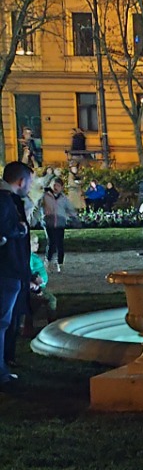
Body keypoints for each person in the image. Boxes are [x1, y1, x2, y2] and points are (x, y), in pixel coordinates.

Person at [0, 161, 35, 383]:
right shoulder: (5, 201)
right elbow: (6, 229)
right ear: (21, 181)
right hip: (8, 269)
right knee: (3, 322)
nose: (30, 187)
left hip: (10, 269)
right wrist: (20, 230)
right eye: (29, 182)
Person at [41, 176, 77, 267]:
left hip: (60, 223)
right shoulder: (45, 196)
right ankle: (48, 260)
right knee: (51, 242)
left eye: (58, 186)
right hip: (49, 222)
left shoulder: (64, 198)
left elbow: (70, 208)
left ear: (61, 187)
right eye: (54, 185)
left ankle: (60, 262)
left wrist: (74, 217)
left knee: (60, 243)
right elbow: (38, 206)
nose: (55, 187)